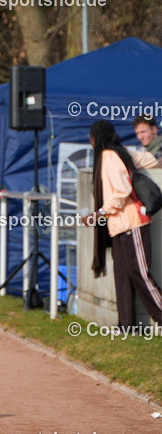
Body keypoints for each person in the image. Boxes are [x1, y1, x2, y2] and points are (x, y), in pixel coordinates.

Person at [88, 119, 162, 328]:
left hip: (132, 223)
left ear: (97, 138)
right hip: (119, 225)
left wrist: (100, 212)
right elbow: (147, 159)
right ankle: (125, 326)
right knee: (122, 277)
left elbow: (122, 191)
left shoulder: (110, 156)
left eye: (92, 137)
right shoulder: (120, 152)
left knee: (140, 274)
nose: (91, 141)